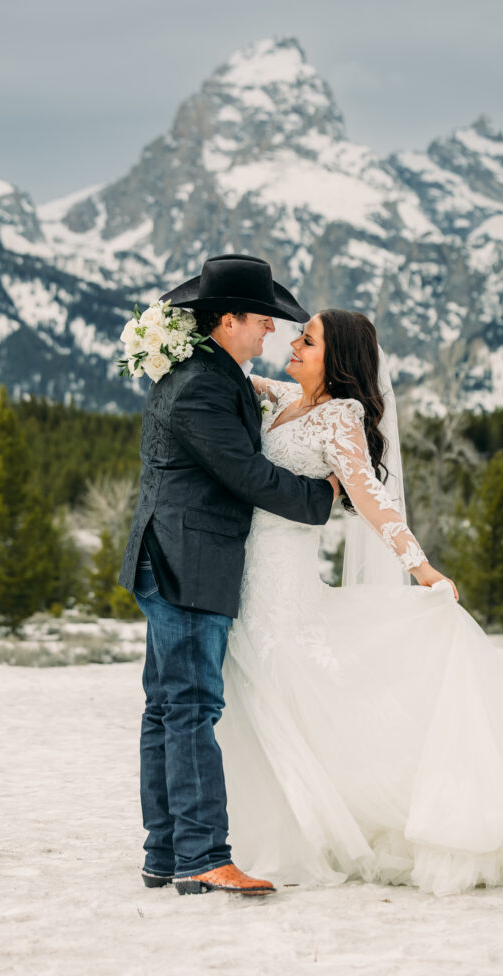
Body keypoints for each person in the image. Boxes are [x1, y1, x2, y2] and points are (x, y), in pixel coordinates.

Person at [214, 308, 503, 897]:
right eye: (299, 336)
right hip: (248, 575)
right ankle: (276, 832)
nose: (294, 344)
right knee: (256, 700)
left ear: (339, 359)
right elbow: (230, 367)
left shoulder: (340, 417)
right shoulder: (281, 397)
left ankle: (366, 822)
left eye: (309, 340)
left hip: (285, 584)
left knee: (287, 690)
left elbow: (373, 500)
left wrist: (423, 569)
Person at [118, 254, 340, 895]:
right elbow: (246, 473)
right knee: (188, 707)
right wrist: (323, 495)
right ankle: (201, 857)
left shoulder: (213, 373)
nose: (272, 332)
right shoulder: (201, 387)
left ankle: (168, 853)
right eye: (263, 320)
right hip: (187, 561)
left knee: (167, 708)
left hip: (178, 557)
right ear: (230, 319)